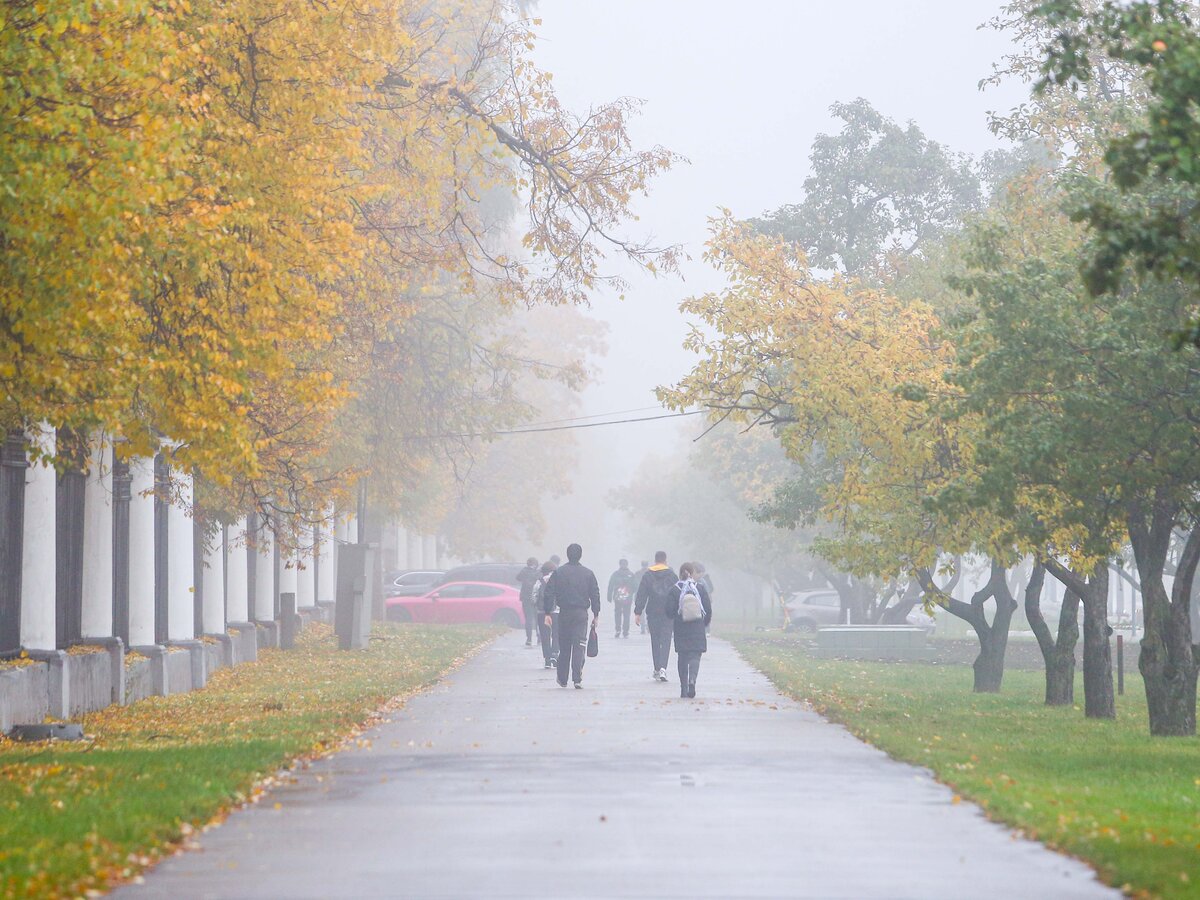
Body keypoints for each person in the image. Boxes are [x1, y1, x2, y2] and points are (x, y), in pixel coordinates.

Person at [543, 543, 600, 689]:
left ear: (567, 554)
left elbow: (549, 592)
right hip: (581, 614)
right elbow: (595, 594)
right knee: (579, 645)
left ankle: (562, 678)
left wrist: (548, 612)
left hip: (564, 613)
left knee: (565, 646)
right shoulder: (588, 573)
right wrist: (596, 613)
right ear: (580, 555)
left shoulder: (559, 572)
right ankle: (577, 678)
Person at [666, 562, 713, 698]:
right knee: (695, 655)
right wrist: (704, 623)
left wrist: (676, 617)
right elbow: (708, 609)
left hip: (681, 627)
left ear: (680, 574)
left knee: (682, 657)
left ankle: (683, 688)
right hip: (697, 626)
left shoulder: (675, 589)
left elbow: (669, 611)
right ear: (692, 574)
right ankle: (692, 679)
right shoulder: (700, 588)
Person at [634, 551, 677, 682]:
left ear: (655, 560)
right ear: (665, 560)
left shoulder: (648, 575)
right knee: (666, 640)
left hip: (653, 611)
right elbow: (677, 593)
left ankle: (657, 668)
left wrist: (638, 612)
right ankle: (664, 668)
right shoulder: (672, 575)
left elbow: (641, 594)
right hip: (668, 612)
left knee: (655, 639)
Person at [534, 561, 558, 669]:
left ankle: (547, 659)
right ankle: (555, 654)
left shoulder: (539, 581)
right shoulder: (558, 580)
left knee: (545, 635)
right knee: (556, 634)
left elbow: (534, 596)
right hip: (556, 611)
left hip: (542, 612)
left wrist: (536, 604)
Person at [607, 559, 637, 639]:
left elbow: (611, 585)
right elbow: (635, 586)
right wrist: (631, 592)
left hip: (618, 597)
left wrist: (609, 596)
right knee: (626, 614)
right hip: (627, 597)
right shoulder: (631, 574)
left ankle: (618, 630)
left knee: (618, 614)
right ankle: (625, 631)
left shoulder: (616, 574)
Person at [517, 557, 541, 648]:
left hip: (526, 598)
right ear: (535, 564)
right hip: (536, 598)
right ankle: (539, 637)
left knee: (528, 619)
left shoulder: (524, 571)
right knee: (538, 619)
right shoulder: (537, 573)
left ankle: (529, 639)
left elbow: (518, 578)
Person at [632, 560, 650, 634]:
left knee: (641, 612)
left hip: (639, 594)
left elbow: (634, 584)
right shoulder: (650, 573)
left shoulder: (637, 573)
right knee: (649, 611)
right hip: (649, 594)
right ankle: (648, 627)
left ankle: (642, 628)